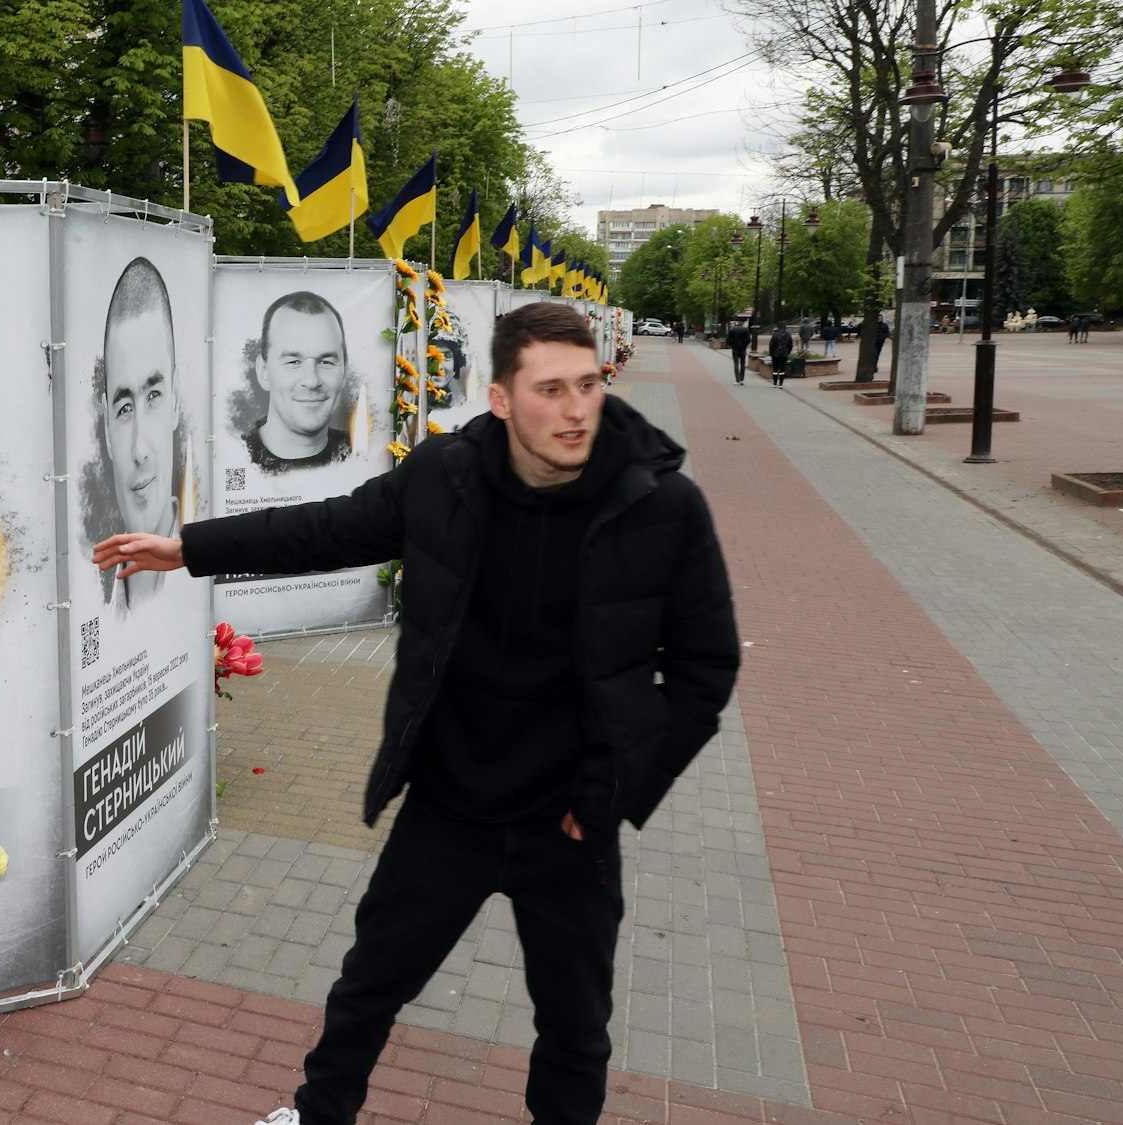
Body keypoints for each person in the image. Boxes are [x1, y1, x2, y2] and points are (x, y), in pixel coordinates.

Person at [93, 302, 740, 1125]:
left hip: (572, 819)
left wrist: (617, 787)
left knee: (576, 1027)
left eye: (588, 385)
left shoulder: (660, 506)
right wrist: (190, 547)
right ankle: (317, 1115)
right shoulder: (445, 475)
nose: (577, 409)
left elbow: (705, 669)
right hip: (450, 801)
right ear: (501, 397)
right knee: (368, 987)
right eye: (550, 389)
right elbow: (327, 529)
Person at [95, 257, 183, 606]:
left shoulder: (197, 592)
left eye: (154, 395)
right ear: (106, 426)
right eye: (125, 408)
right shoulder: (95, 602)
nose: (139, 450)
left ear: (176, 401)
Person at [244, 291, 351, 472]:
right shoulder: (235, 456)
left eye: (326, 362)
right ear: (264, 372)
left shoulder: (362, 454)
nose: (311, 380)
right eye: (294, 362)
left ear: (344, 373)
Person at [725, 318, 751, 385]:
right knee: (743, 364)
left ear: (737, 322)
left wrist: (732, 344)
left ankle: (737, 380)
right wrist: (745, 345)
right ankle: (742, 379)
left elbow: (728, 340)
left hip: (735, 348)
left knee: (736, 363)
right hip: (743, 348)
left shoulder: (733, 329)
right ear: (742, 322)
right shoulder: (745, 329)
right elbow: (748, 339)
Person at [768, 323, 794, 387]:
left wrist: (771, 353)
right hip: (784, 354)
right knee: (782, 368)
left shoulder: (775, 335)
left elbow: (771, 345)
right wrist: (788, 352)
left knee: (775, 368)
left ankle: (774, 383)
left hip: (775, 354)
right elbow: (790, 345)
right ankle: (781, 384)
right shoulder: (788, 335)